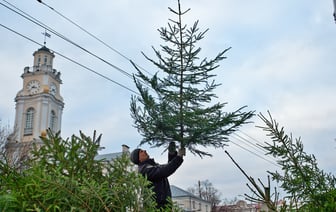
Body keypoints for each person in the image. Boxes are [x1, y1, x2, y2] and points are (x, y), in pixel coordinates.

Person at [130, 142, 185, 210]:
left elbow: (167, 167)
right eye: (141, 152)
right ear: (139, 159)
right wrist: (179, 157)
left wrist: (172, 154)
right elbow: (165, 170)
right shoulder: (144, 170)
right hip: (156, 207)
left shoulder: (152, 166)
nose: (145, 151)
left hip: (164, 206)